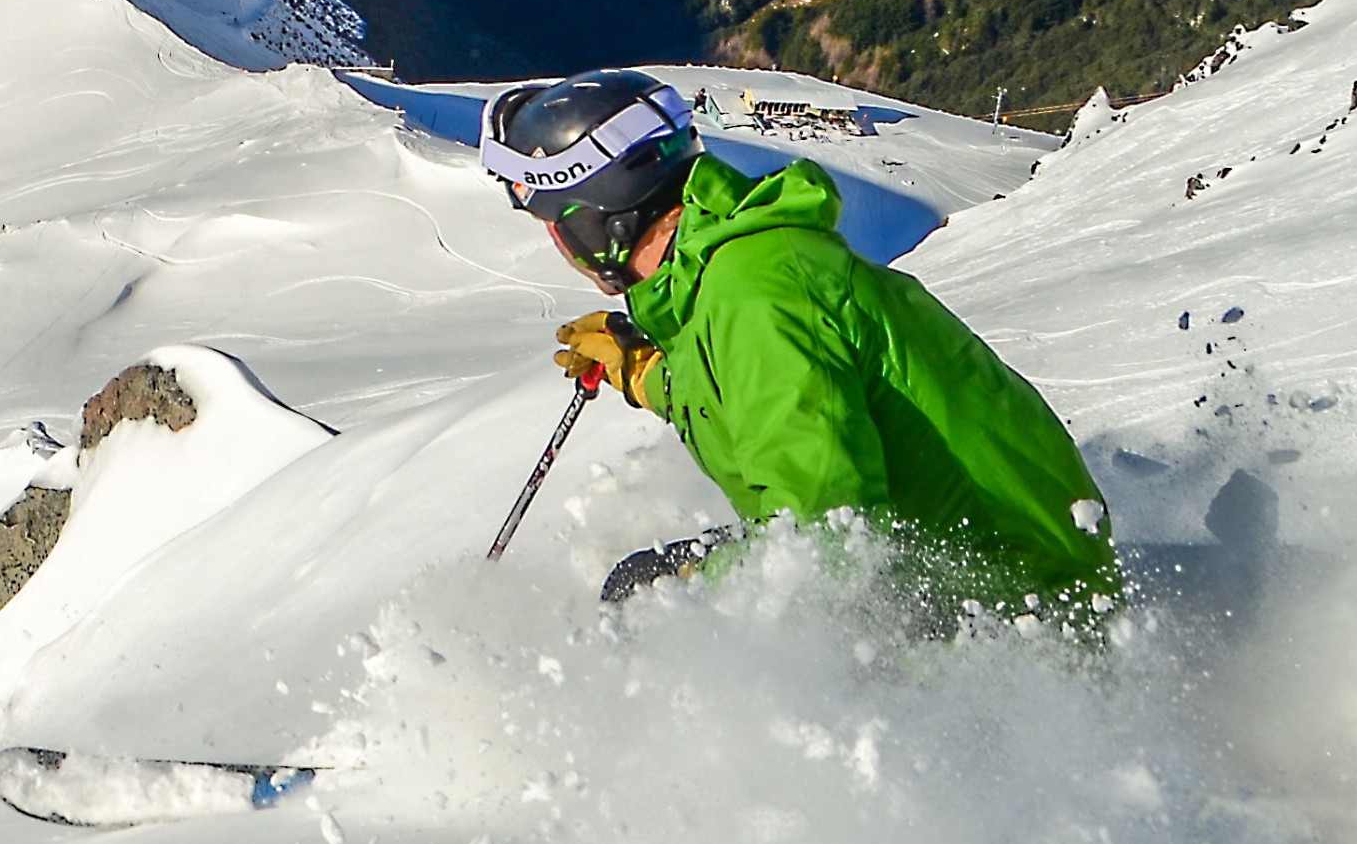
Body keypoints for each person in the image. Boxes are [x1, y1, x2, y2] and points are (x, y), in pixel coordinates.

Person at [480, 68, 1120, 634]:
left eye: (551, 222)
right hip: (976, 582)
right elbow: (758, 392)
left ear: (594, 224)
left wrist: (692, 585)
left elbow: (829, 542)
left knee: (648, 606)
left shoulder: (758, 295)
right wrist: (646, 374)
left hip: (1009, 624)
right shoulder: (736, 274)